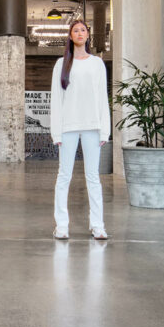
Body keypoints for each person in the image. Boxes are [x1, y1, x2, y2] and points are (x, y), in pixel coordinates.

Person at [50, 19, 110, 240]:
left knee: (93, 177)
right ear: (70, 36)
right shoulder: (61, 64)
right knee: (64, 176)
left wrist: (105, 130)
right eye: (75, 30)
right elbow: (56, 100)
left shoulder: (97, 64)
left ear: (88, 35)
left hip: (93, 126)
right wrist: (56, 131)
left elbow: (103, 97)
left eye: (83, 30)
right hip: (68, 127)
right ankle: (62, 225)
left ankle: (97, 225)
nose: (79, 33)